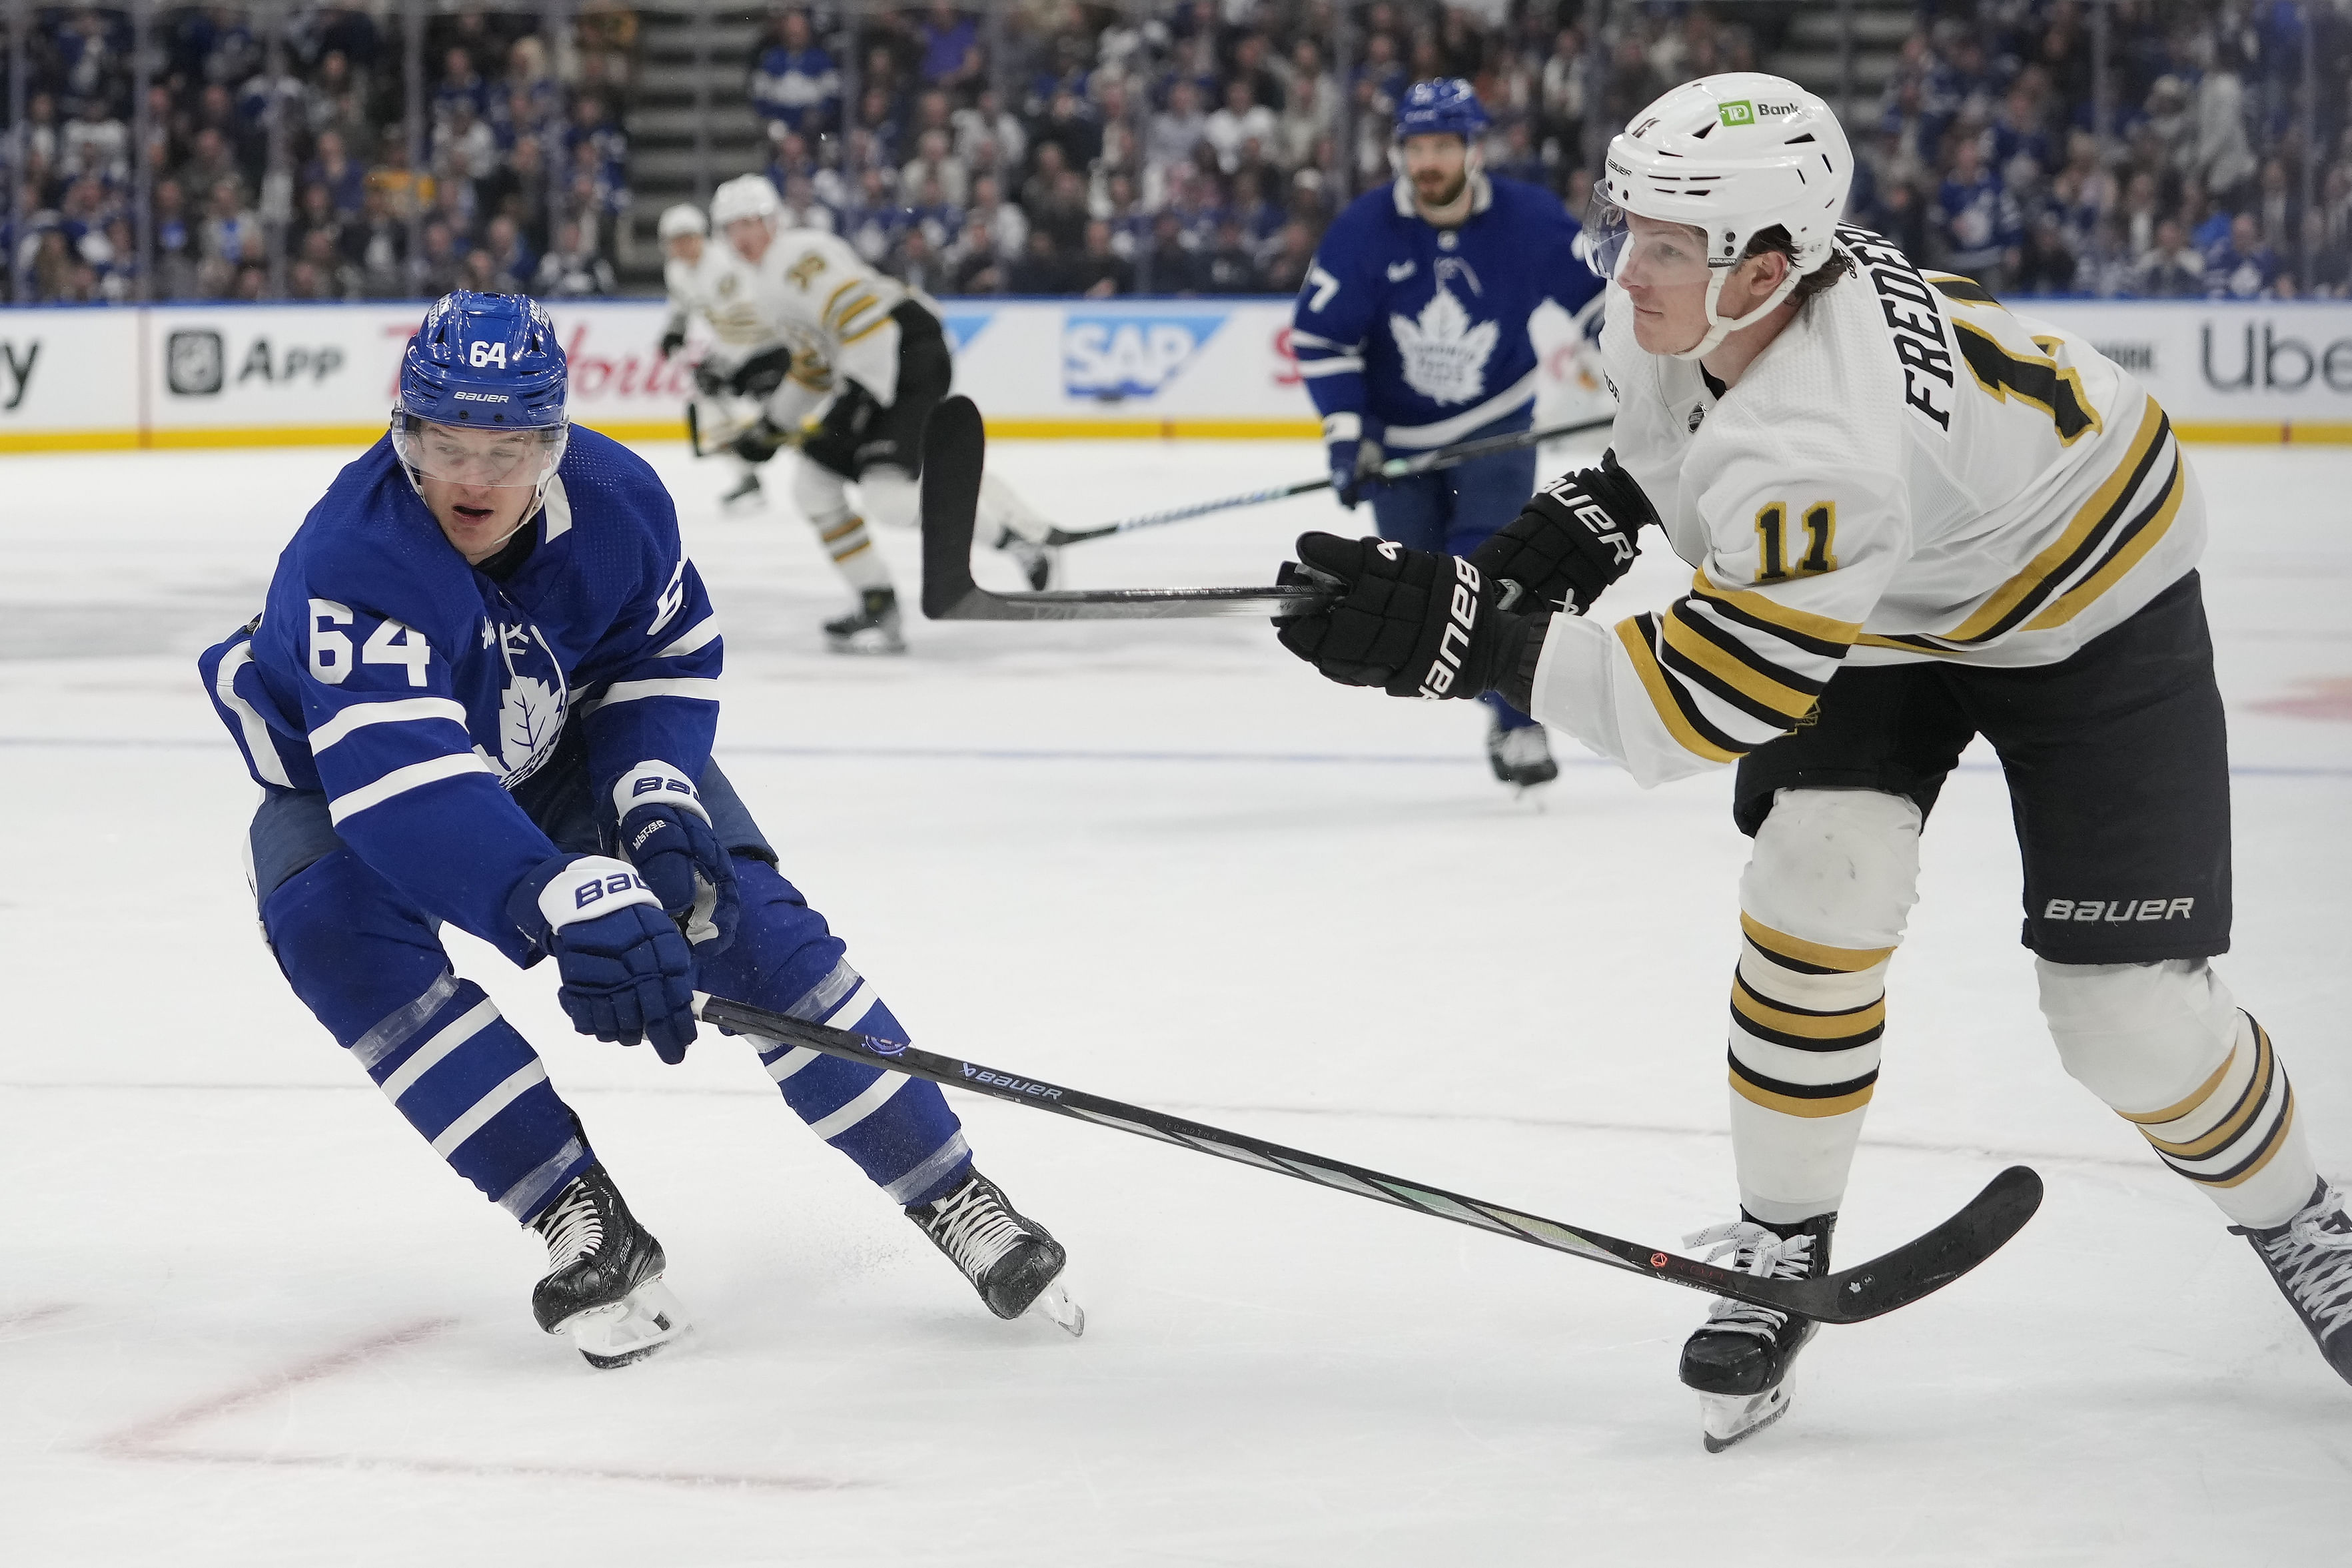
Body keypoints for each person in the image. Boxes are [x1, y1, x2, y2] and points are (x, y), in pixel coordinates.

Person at [1273, 74, 2351, 1449]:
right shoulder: (1713, 303)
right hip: (1899, 582)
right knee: (1814, 880)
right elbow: (1680, 438)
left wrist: (1472, 643)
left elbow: (1695, 702)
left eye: (1669, 245)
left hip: (2093, 590)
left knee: (2123, 1016)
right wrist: (1607, 508)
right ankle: (1779, 1239)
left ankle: (2300, 1216)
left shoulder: (1822, 443)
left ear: (1769, 268)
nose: (1628, 265)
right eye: (1629, 226)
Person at [196, 292, 1082, 1368]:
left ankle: (954, 1191)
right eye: (444, 443)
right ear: (404, 436)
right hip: (350, 779)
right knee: (329, 926)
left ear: (552, 444)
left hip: (556, 736)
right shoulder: (353, 556)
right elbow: (408, 782)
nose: (472, 477)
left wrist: (654, 792)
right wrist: (560, 892)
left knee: (742, 918)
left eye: (506, 446)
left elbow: (661, 661)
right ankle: (577, 1210)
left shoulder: (617, 501)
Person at [1289, 79, 1604, 790]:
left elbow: (1602, 299)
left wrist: (1644, 372)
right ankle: (1499, 698)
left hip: (1492, 427)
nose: (1427, 161)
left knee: (1486, 574)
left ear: (1474, 149)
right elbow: (1321, 338)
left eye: (1442, 145)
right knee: (1424, 592)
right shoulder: (1363, 230)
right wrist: (1348, 435)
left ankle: (1519, 722)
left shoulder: (1526, 220)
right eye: (1416, 147)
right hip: (1397, 444)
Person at [706, 173, 1058, 653]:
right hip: (882, 361)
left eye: (751, 222)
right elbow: (815, 366)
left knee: (887, 498)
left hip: (905, 352)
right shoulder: (767, 284)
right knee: (814, 486)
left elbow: (864, 320)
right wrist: (774, 425)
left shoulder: (794, 255)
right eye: (732, 227)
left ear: (772, 221)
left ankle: (1020, 541)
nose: (743, 236)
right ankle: (877, 603)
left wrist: (858, 395)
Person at [653, 201, 772, 509]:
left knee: (779, 411)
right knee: (709, 404)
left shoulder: (724, 265)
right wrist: (674, 332)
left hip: (768, 343)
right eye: (675, 240)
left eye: (687, 238)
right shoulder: (676, 271)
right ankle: (747, 476)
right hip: (734, 345)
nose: (682, 246)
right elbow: (682, 308)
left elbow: (749, 323)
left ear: (701, 236)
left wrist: (723, 365)